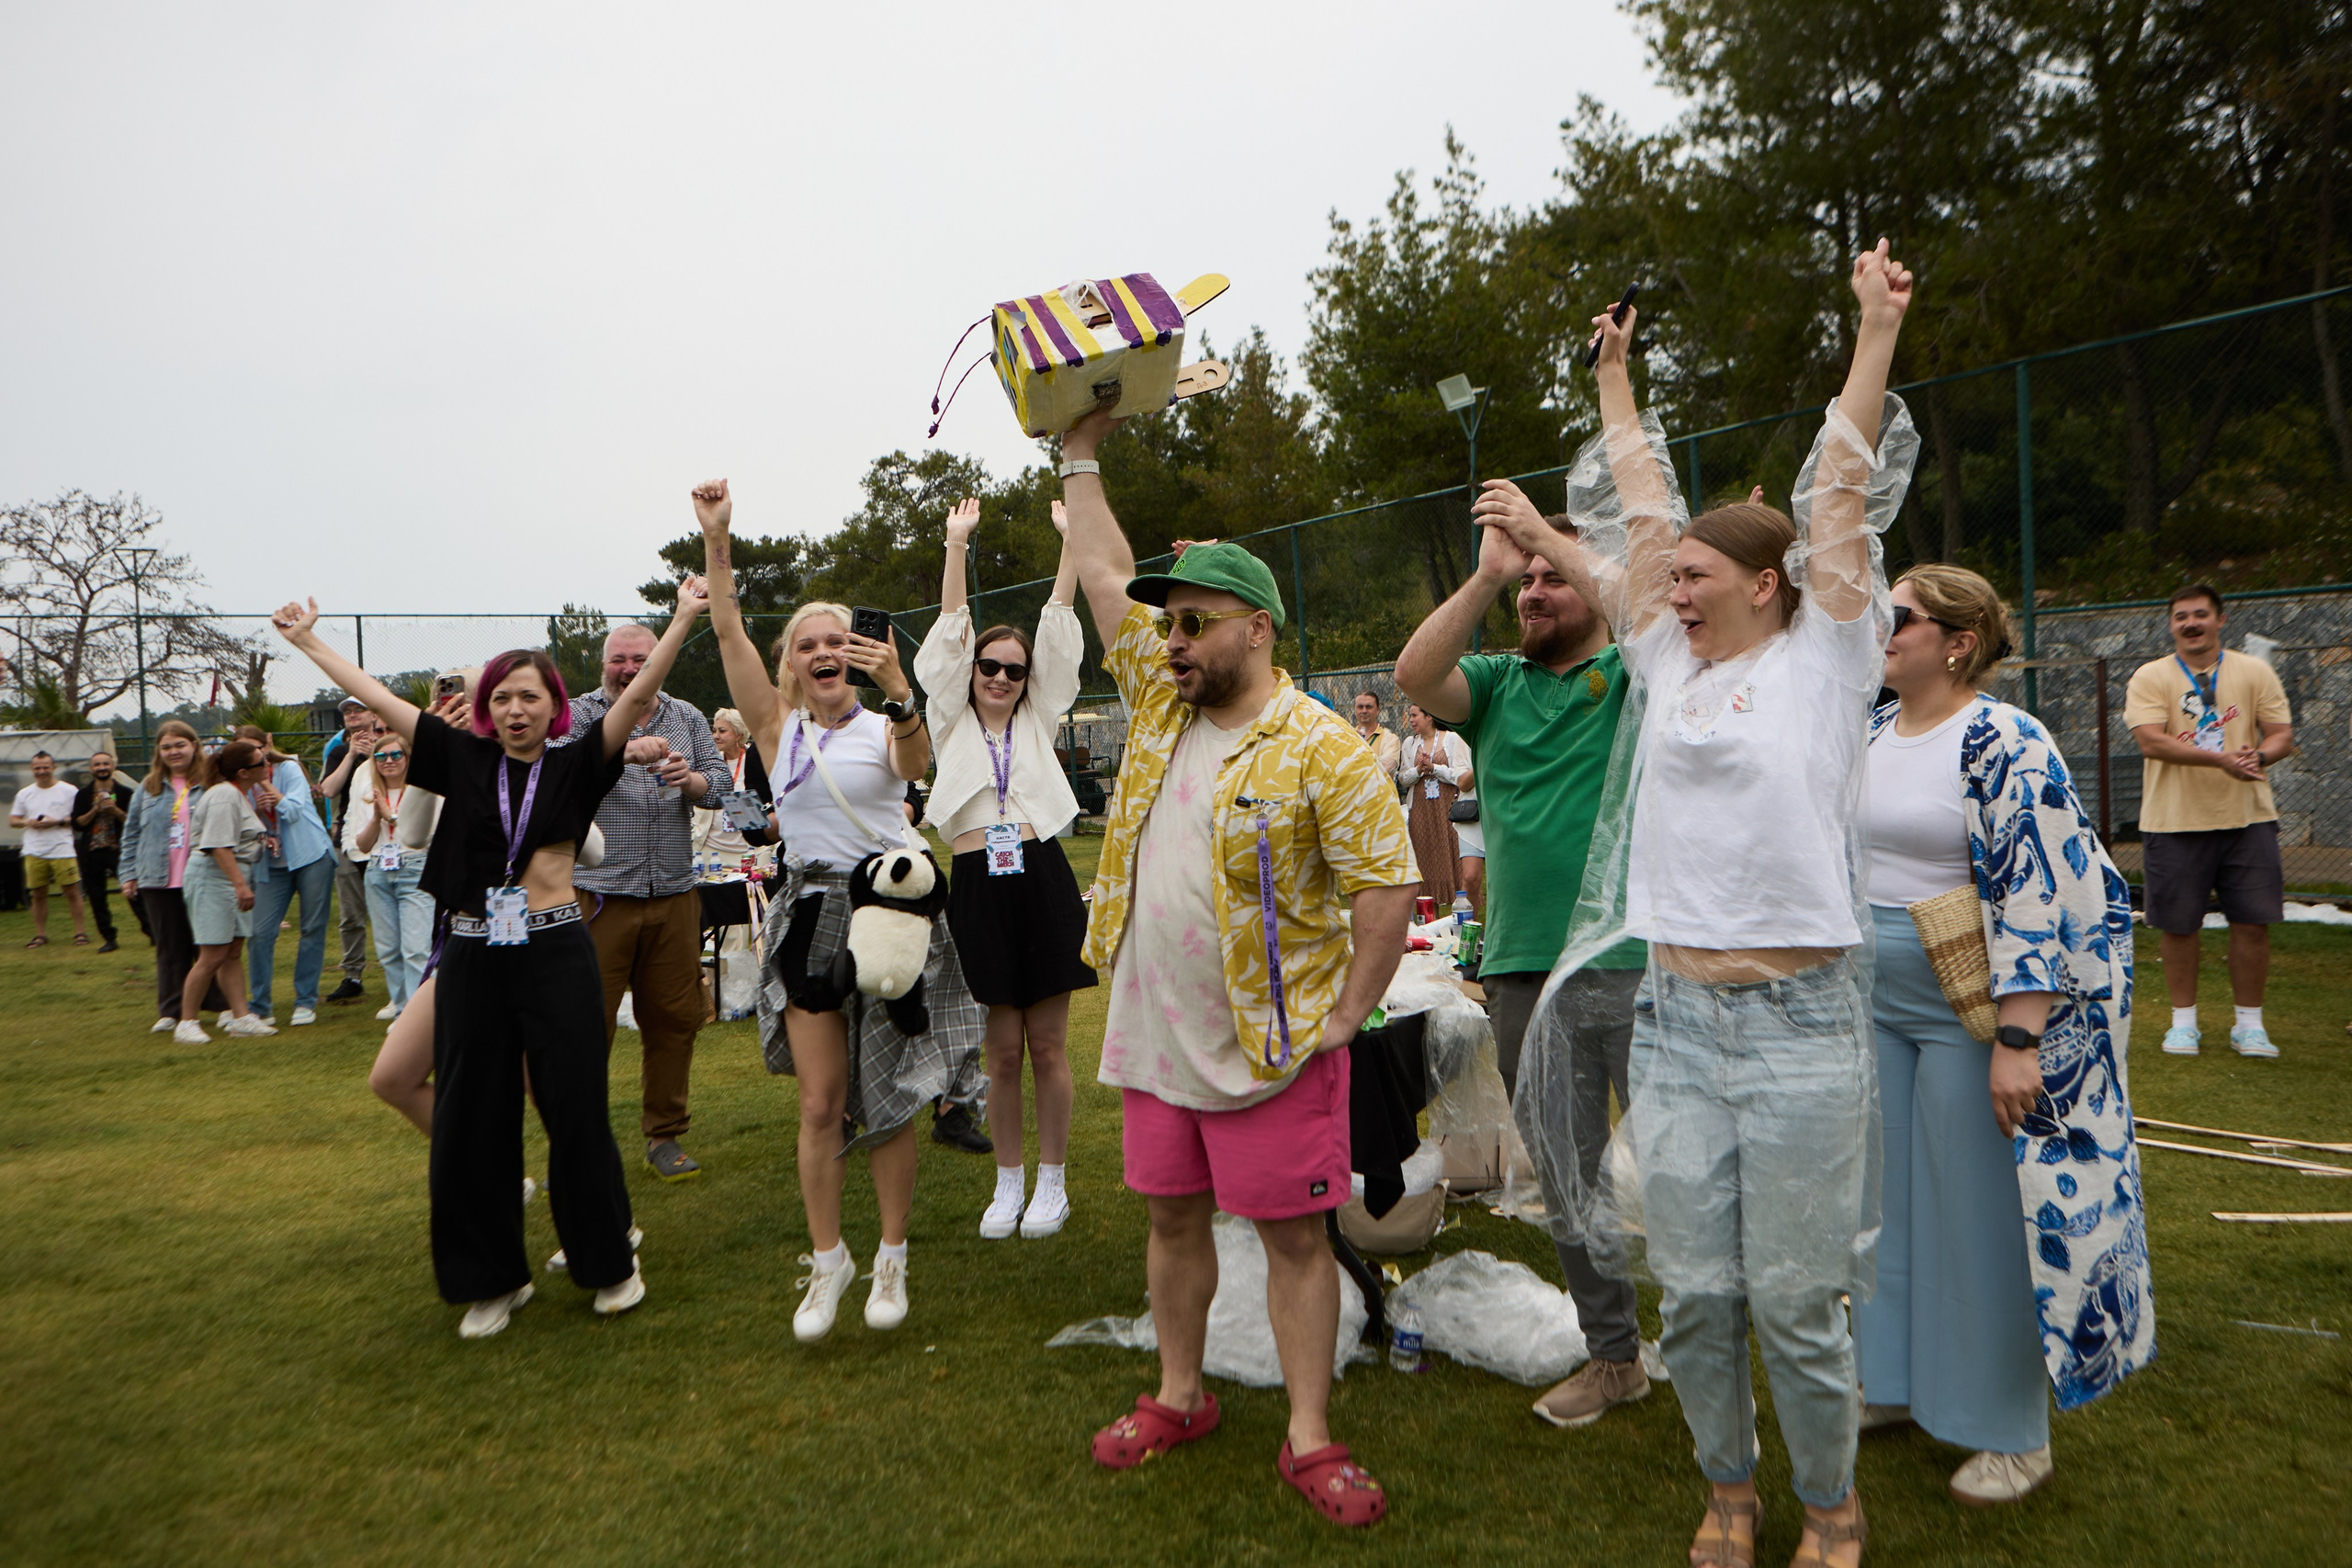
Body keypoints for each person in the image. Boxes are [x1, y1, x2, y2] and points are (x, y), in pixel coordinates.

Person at [1484, 247, 1917, 1567]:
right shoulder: (1667, 660)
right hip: (1676, 1017)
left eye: (1691, 576)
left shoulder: (1830, 655)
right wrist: (1615, 380)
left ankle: (1831, 1505)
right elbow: (1636, 495)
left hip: (1798, 1024)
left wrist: (1875, 331)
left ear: (1766, 580)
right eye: (1663, 579)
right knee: (1709, 1291)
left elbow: (1839, 483)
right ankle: (1728, 1488)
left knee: (1796, 1299)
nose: (1665, 589)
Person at [1057, 409, 1417, 1529]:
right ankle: (1179, 1394)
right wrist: (1078, 453)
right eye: (1167, 624)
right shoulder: (1162, 705)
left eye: (1193, 622)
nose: (1169, 639)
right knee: (1169, 1222)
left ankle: (1309, 1436)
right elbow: (1107, 569)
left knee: (1295, 1238)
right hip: (1156, 1029)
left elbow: (1387, 889)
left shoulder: (1322, 744)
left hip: (1275, 1041)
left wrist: (1345, 1020)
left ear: (1254, 629)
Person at [271, 583, 707, 1338]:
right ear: (487, 708)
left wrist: (685, 618)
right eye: (503, 697)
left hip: (556, 945)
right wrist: (309, 642)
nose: (515, 709)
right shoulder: (459, 756)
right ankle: (492, 1278)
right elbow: (377, 695)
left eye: (530, 697)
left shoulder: (578, 761)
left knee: (573, 1108)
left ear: (555, 706)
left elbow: (637, 695)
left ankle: (608, 1261)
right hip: (473, 951)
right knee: (473, 1115)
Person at [1852, 562, 2153, 1508]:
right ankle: (1893, 1383)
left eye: (1895, 615)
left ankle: (2010, 1434)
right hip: (1872, 993)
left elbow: (2040, 891)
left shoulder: (2004, 739)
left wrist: (2017, 1041)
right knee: (1886, 1206)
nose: (1878, 625)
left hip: (1970, 1009)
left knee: (1979, 1217)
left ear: (1957, 641)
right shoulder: (1868, 727)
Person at [693, 479, 986, 1343]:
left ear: (854, 654)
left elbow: (916, 753)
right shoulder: (778, 729)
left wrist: (900, 687)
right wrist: (717, 539)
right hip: (811, 912)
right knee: (822, 1102)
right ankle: (830, 1260)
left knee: (889, 1094)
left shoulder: (884, 721)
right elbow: (725, 629)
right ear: (793, 662)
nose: (826, 651)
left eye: (838, 641)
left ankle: (891, 1252)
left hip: (889, 918)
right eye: (810, 644)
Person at [1396, 502, 1651, 1429]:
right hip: (1520, 971)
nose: (1536, 589)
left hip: (1637, 960)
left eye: (1553, 575)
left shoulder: (1633, 673)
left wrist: (1545, 535)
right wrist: (1489, 574)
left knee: (1692, 1166)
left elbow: (1654, 618)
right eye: (1529, 580)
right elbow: (1414, 674)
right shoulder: (1499, 682)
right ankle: (1614, 1355)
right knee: (1566, 1173)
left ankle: (1735, 1343)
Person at [916, 496, 1098, 1240]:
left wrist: (1072, 546)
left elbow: (1058, 627)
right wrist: (957, 546)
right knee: (999, 1048)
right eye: (990, 666)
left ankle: (1052, 1183)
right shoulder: (948, 716)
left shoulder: (1039, 715)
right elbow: (949, 641)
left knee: (1049, 1044)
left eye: (1012, 670)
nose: (999, 676)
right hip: (976, 888)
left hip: (1041, 877)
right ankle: (1008, 1182)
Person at [567, 624, 730, 1182]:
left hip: (675, 893)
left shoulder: (685, 716)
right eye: (619, 659)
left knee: (673, 1019)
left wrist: (692, 783)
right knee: (586, 1026)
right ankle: (581, 1139)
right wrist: (621, 750)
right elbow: (562, 778)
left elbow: (723, 783)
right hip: (599, 896)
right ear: (603, 663)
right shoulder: (576, 715)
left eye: (642, 658)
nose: (630, 668)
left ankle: (665, 1135)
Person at [2124, 584, 2294, 1059]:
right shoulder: (2151, 676)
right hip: (2174, 820)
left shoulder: (2253, 670)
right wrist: (2219, 760)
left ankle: (2250, 1026)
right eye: (2181, 617)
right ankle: (2183, 1024)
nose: (2191, 624)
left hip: (2249, 817)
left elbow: (2281, 735)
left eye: (2200, 614)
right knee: (2178, 926)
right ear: (2172, 624)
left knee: (2253, 922)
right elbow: (2151, 742)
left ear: (2221, 619)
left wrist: (2258, 755)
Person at [118, 720, 228, 1030]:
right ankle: (171, 1010)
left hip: (202, 875)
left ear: (194, 746)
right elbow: (131, 834)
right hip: (157, 879)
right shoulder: (148, 787)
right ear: (159, 752)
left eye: (180, 745)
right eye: (166, 747)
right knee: (169, 946)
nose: (173, 752)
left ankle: (221, 1006)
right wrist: (128, 873)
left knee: (208, 943)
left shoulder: (212, 783)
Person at [176, 739, 278, 1043]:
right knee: (212, 954)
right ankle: (187, 1022)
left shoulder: (239, 794)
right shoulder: (224, 795)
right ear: (244, 772)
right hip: (214, 878)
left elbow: (236, 838)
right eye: (261, 762)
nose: (267, 765)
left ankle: (242, 1017)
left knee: (232, 951)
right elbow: (218, 845)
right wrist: (240, 886)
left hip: (230, 875)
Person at [234, 726, 336, 1028]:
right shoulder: (238, 783)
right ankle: (260, 1005)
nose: (253, 756)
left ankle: (305, 1000)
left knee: (311, 929)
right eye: (244, 751)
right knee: (260, 933)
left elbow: (293, 810)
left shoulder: (288, 768)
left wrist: (266, 785)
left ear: (266, 743)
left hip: (311, 856)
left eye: (255, 748)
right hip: (271, 863)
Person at [346, 730, 438, 1019]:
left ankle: (415, 1015)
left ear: (407, 758)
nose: (389, 761)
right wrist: (376, 816)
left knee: (415, 948)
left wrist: (393, 817)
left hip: (415, 868)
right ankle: (401, 1008)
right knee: (387, 948)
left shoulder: (423, 791)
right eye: (381, 756)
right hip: (378, 870)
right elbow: (362, 844)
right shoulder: (369, 795)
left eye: (396, 755)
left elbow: (427, 836)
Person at [317, 698, 380, 1005]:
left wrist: (376, 755)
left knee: (388, 910)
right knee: (351, 914)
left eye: (358, 710)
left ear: (373, 714)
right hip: (347, 840)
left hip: (386, 841)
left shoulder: (392, 748)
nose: (353, 715)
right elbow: (328, 790)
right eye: (347, 712)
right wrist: (352, 754)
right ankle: (353, 975)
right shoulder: (340, 752)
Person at [11, 750, 89, 948]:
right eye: (37, 768)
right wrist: (28, 822)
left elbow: (79, 818)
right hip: (34, 850)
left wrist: (58, 822)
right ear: (32, 770)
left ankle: (80, 932)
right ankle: (40, 935)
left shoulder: (69, 790)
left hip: (62, 849)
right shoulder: (25, 793)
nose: (42, 771)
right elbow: (13, 820)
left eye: (46, 767)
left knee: (71, 891)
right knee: (38, 894)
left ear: (54, 768)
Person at [71, 750, 141, 952]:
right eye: (97, 765)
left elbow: (134, 823)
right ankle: (109, 938)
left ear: (112, 766)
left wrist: (115, 810)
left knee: (135, 893)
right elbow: (77, 824)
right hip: (92, 851)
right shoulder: (83, 795)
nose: (102, 767)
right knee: (97, 897)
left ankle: (152, 932)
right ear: (91, 769)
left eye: (105, 764)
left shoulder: (126, 793)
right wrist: (95, 809)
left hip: (119, 850)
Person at [695, 707, 775, 867]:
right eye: (714, 730)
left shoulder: (756, 761)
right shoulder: (710, 763)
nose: (715, 736)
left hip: (751, 850)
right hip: (712, 850)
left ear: (738, 734)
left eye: (722, 731)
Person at [1350, 692, 1401, 777]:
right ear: (1355, 710)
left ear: (1377, 710)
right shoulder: (1347, 736)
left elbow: (1384, 769)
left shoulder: (1390, 738)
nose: (1364, 711)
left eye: (1369, 707)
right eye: (1360, 707)